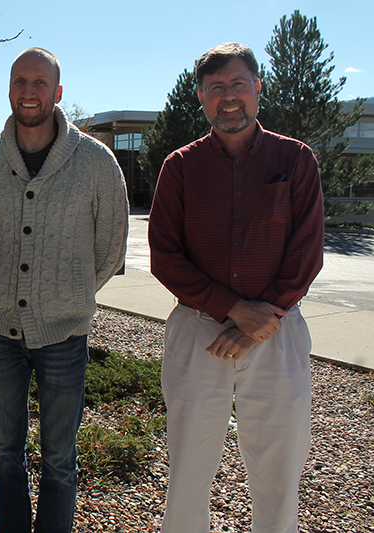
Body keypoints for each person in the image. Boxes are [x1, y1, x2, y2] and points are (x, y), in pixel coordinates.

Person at [149, 42, 324, 533]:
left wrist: (259, 320)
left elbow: (307, 252)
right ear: (201, 98)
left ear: (258, 89)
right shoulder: (180, 167)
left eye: (238, 84)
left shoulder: (296, 159)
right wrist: (230, 309)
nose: (229, 97)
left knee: (278, 469)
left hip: (279, 332)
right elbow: (165, 254)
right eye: (216, 88)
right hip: (198, 330)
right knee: (187, 468)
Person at [0, 48, 129, 533]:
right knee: (4, 452)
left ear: (57, 93)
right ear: (10, 89)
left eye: (40, 82)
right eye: (20, 81)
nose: (29, 90)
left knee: (60, 458)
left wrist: (68, 294)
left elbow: (111, 249)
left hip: (65, 334)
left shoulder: (97, 163)